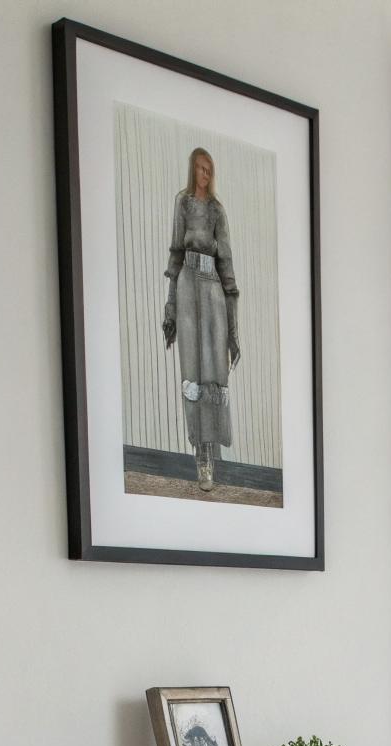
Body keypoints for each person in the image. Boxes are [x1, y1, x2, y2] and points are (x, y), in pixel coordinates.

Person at [162, 148, 240, 493]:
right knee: (192, 374)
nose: (204, 175)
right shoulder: (182, 203)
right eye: (199, 169)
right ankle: (201, 459)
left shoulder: (217, 211)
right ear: (192, 170)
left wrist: (233, 330)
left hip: (213, 292)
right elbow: (175, 255)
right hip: (187, 289)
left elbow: (227, 265)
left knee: (213, 373)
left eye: (209, 169)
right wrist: (170, 308)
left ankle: (212, 455)